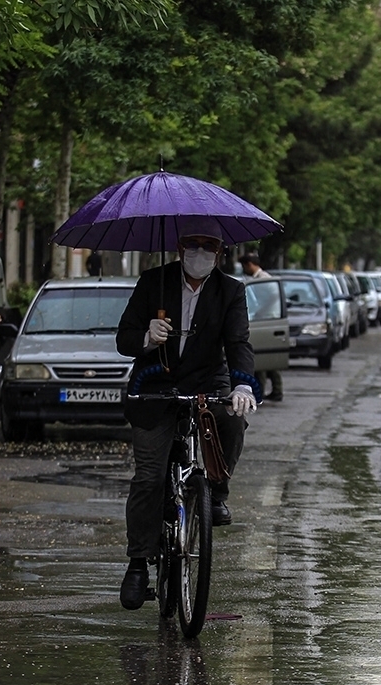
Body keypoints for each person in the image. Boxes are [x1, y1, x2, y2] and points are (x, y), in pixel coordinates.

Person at [115, 217, 257, 610]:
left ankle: (216, 491)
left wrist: (243, 384)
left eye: (209, 246)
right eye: (192, 245)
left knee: (231, 418)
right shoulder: (152, 282)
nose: (200, 253)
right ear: (179, 249)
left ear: (220, 253)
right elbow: (123, 340)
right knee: (148, 477)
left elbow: (238, 341)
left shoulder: (231, 290)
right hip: (155, 386)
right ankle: (138, 563)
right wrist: (146, 336)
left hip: (209, 382)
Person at [241, 252, 283, 402]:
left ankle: (266, 391)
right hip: (265, 318)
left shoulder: (264, 279)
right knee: (266, 360)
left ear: (249, 264)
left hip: (268, 318)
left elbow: (273, 296)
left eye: (244, 266)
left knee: (262, 362)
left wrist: (261, 309)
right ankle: (274, 390)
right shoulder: (257, 279)